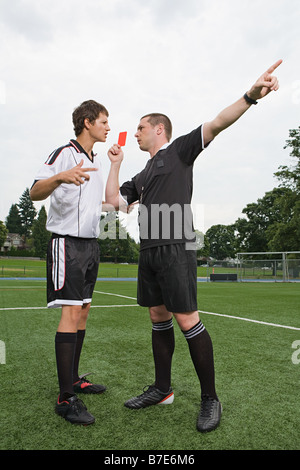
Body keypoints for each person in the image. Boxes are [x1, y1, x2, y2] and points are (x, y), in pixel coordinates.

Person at [105, 60, 282, 432]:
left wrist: (251, 95)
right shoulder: (141, 174)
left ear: (158, 129)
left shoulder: (181, 149)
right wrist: (116, 166)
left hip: (176, 247)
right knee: (158, 317)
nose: (134, 134)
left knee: (187, 319)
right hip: (149, 251)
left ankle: (210, 399)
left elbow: (218, 122)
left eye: (140, 128)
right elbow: (113, 204)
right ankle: (162, 389)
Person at [30, 100, 123, 425]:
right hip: (66, 244)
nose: (108, 127)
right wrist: (61, 178)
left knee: (82, 311)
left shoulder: (94, 161)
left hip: (90, 246)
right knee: (70, 312)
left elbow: (101, 204)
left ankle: (73, 381)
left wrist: (116, 173)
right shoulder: (64, 155)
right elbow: (34, 192)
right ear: (87, 122)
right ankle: (65, 398)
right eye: (103, 121)